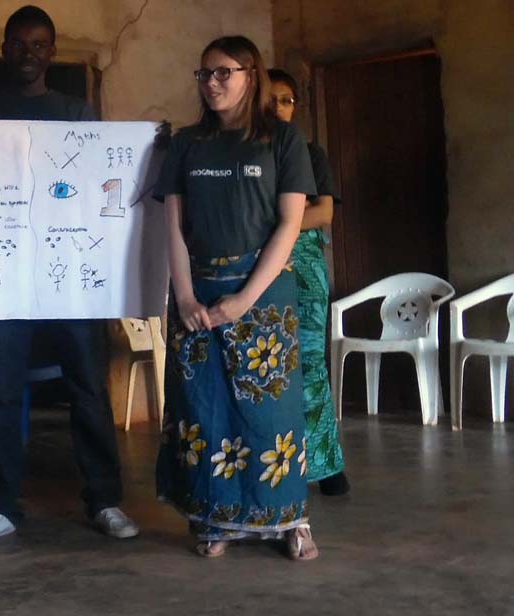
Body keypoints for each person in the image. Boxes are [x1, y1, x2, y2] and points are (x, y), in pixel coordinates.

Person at [0, 4, 139, 547]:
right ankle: (0, 507)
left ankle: (104, 500)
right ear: (5, 49)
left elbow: (100, 185)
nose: (29, 54)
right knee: (1, 391)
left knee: (88, 388)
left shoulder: (76, 112)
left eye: (40, 45)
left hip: (72, 277)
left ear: (52, 52)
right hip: (6, 277)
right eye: (19, 43)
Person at [153, 36, 320, 560]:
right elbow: (173, 227)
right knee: (205, 414)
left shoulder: (283, 141)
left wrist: (245, 299)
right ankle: (213, 518)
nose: (212, 83)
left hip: (263, 294)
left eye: (223, 72)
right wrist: (183, 295)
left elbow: (290, 224)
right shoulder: (185, 144)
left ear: (252, 75)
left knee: (272, 415)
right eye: (204, 75)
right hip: (195, 294)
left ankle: (290, 520)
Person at [268, 68, 350, 496]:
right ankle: (277, 466)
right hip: (259, 265)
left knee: (311, 364)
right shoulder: (250, 151)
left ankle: (326, 466)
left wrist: (278, 225)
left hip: (302, 265)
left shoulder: (309, 151)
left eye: (286, 100)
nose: (278, 107)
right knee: (265, 365)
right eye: (270, 99)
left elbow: (323, 214)